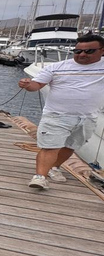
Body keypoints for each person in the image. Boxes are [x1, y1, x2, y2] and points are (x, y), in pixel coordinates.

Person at [17, 34, 104, 189]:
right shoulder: (56, 67)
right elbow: (36, 85)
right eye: (78, 51)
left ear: (101, 51)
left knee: (70, 146)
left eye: (89, 51)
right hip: (57, 115)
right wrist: (27, 84)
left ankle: (54, 167)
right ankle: (39, 177)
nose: (82, 54)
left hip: (88, 117)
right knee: (50, 147)